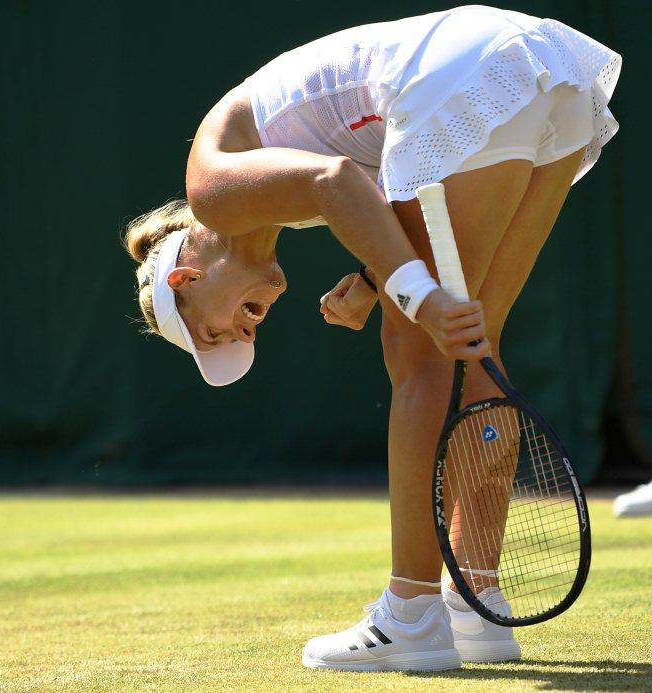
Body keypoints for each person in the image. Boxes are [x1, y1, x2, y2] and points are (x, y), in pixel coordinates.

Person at [122, 5, 621, 672]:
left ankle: (412, 612)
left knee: (416, 350)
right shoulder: (260, 192)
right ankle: (476, 600)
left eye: (214, 329)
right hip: (546, 71)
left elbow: (336, 182)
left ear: (187, 274)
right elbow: (372, 189)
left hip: (464, 74)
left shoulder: (212, 193)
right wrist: (374, 274)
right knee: (476, 342)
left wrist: (411, 293)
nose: (243, 331)